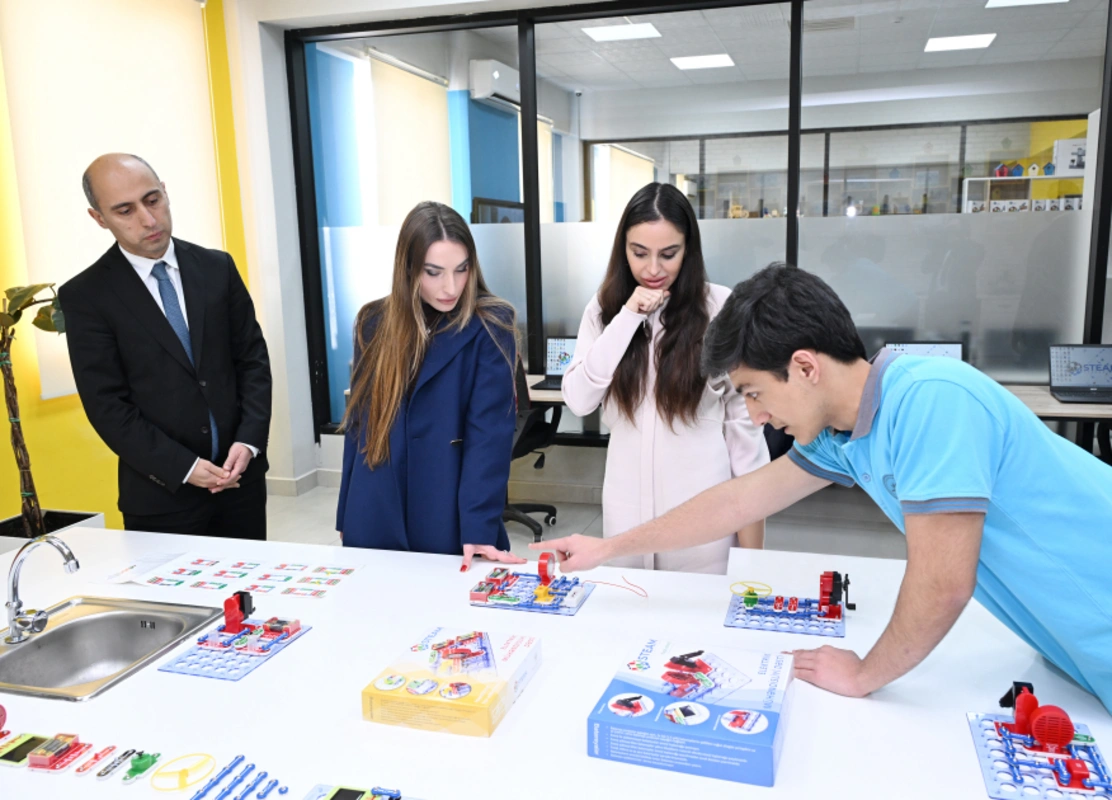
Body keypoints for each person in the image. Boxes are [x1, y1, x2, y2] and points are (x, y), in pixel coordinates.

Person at [536, 263, 1112, 712]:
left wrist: (863, 673)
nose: (755, 416)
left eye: (754, 392)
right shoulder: (843, 434)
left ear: (806, 367)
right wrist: (608, 548)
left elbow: (943, 584)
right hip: (1071, 645)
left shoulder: (932, 401)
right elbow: (738, 500)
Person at [61, 154, 272, 539]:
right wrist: (184, 467)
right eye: (125, 210)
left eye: (152, 200)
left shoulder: (217, 268)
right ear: (99, 218)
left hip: (240, 482)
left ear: (165, 192)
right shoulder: (86, 295)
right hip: (162, 496)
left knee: (249, 581)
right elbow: (107, 404)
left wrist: (249, 440)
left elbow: (252, 361)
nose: (148, 219)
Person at [561, 182, 767, 574]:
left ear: (688, 250)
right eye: (639, 253)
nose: (653, 269)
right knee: (630, 606)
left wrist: (753, 558)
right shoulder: (604, 310)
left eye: (668, 254)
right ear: (623, 249)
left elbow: (745, 434)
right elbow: (579, 399)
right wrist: (628, 317)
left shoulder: (719, 307)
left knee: (699, 609)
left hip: (704, 516)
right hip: (626, 516)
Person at [337, 201, 525, 572]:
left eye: (461, 269)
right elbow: (359, 425)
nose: (450, 287)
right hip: (375, 501)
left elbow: (489, 436)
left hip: (448, 507)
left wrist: (479, 525)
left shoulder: (491, 324)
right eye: (434, 272)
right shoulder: (372, 322)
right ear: (408, 268)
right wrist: (347, 510)